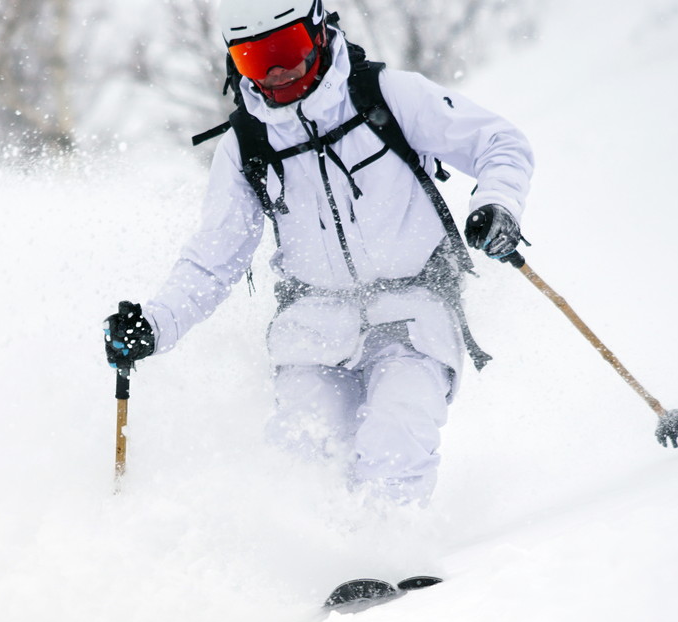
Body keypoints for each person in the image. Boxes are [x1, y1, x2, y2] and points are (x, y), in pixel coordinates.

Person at [105, 0, 533, 506]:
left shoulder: (387, 95)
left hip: (415, 305)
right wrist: (154, 324)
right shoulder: (249, 144)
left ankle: (388, 550)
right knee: (302, 451)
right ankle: (318, 566)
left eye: (285, 50)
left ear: (318, 32)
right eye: (254, 60)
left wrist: (497, 205)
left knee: (396, 431)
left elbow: (500, 143)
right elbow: (213, 258)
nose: (276, 71)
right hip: (312, 324)